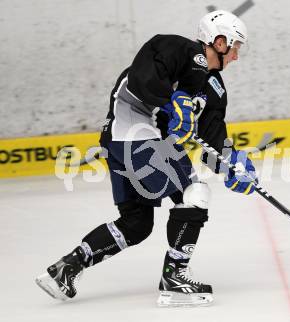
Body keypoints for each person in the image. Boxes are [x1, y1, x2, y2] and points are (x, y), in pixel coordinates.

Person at [35, 10, 258, 307]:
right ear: (219, 41)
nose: (236, 57)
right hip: (135, 133)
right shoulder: (175, 48)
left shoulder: (213, 89)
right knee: (194, 193)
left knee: (136, 223)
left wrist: (232, 164)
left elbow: (212, 139)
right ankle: (175, 278)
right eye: (236, 47)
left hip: (127, 142)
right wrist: (172, 103)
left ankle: (66, 268)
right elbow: (140, 81)